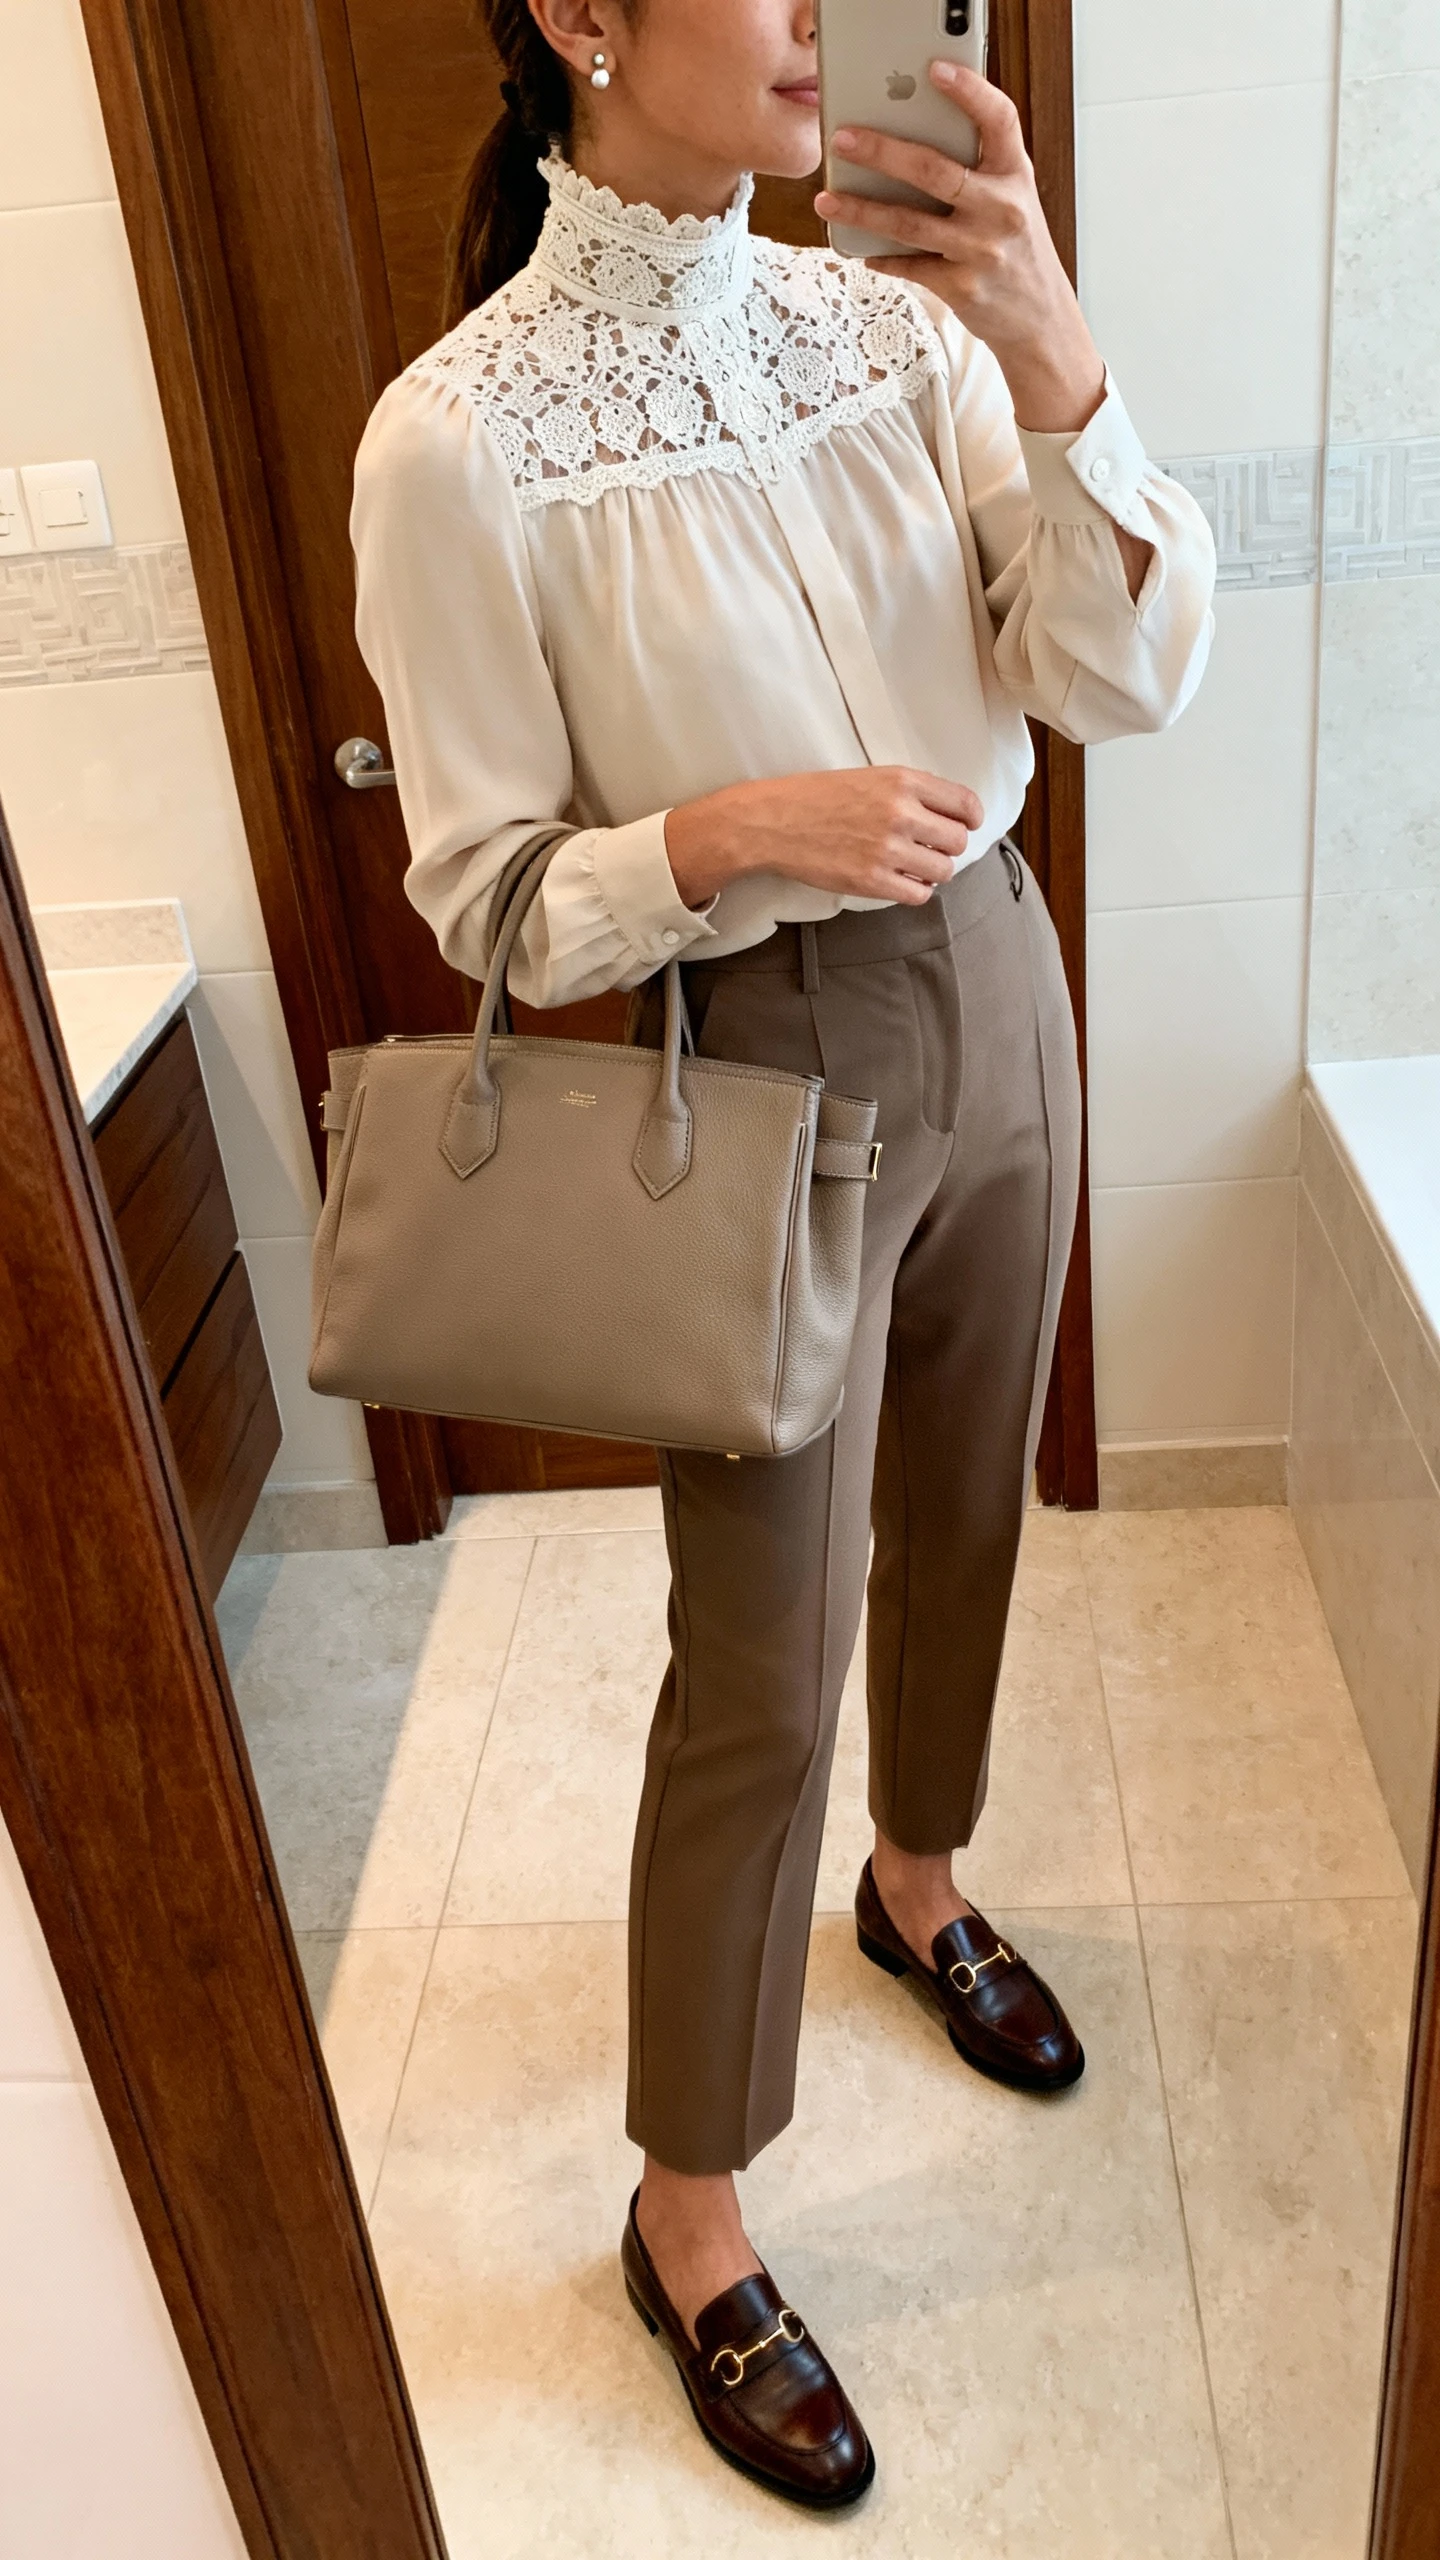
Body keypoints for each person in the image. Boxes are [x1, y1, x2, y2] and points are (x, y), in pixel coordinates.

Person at [351, 0, 1215, 2509]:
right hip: (756, 1062)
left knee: (964, 1515)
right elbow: (486, 902)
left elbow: (1115, 672)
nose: (838, 15)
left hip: (1004, 984)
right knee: (758, 1649)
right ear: (586, 21)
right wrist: (720, 831)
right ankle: (691, 2200)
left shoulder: (912, 322)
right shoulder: (462, 437)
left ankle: (921, 1880)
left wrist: (1061, 365)